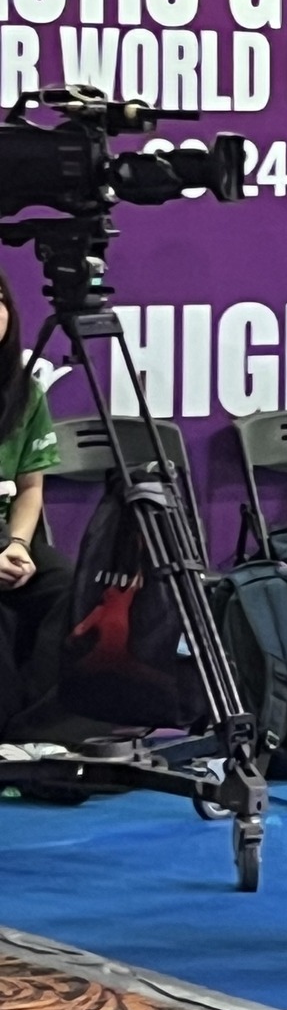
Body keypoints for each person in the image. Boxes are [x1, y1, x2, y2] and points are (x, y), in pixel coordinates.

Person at [0, 272, 71, 735]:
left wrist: (19, 545)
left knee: (63, 583)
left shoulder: (23, 393)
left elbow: (29, 489)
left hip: (5, 535)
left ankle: (40, 729)